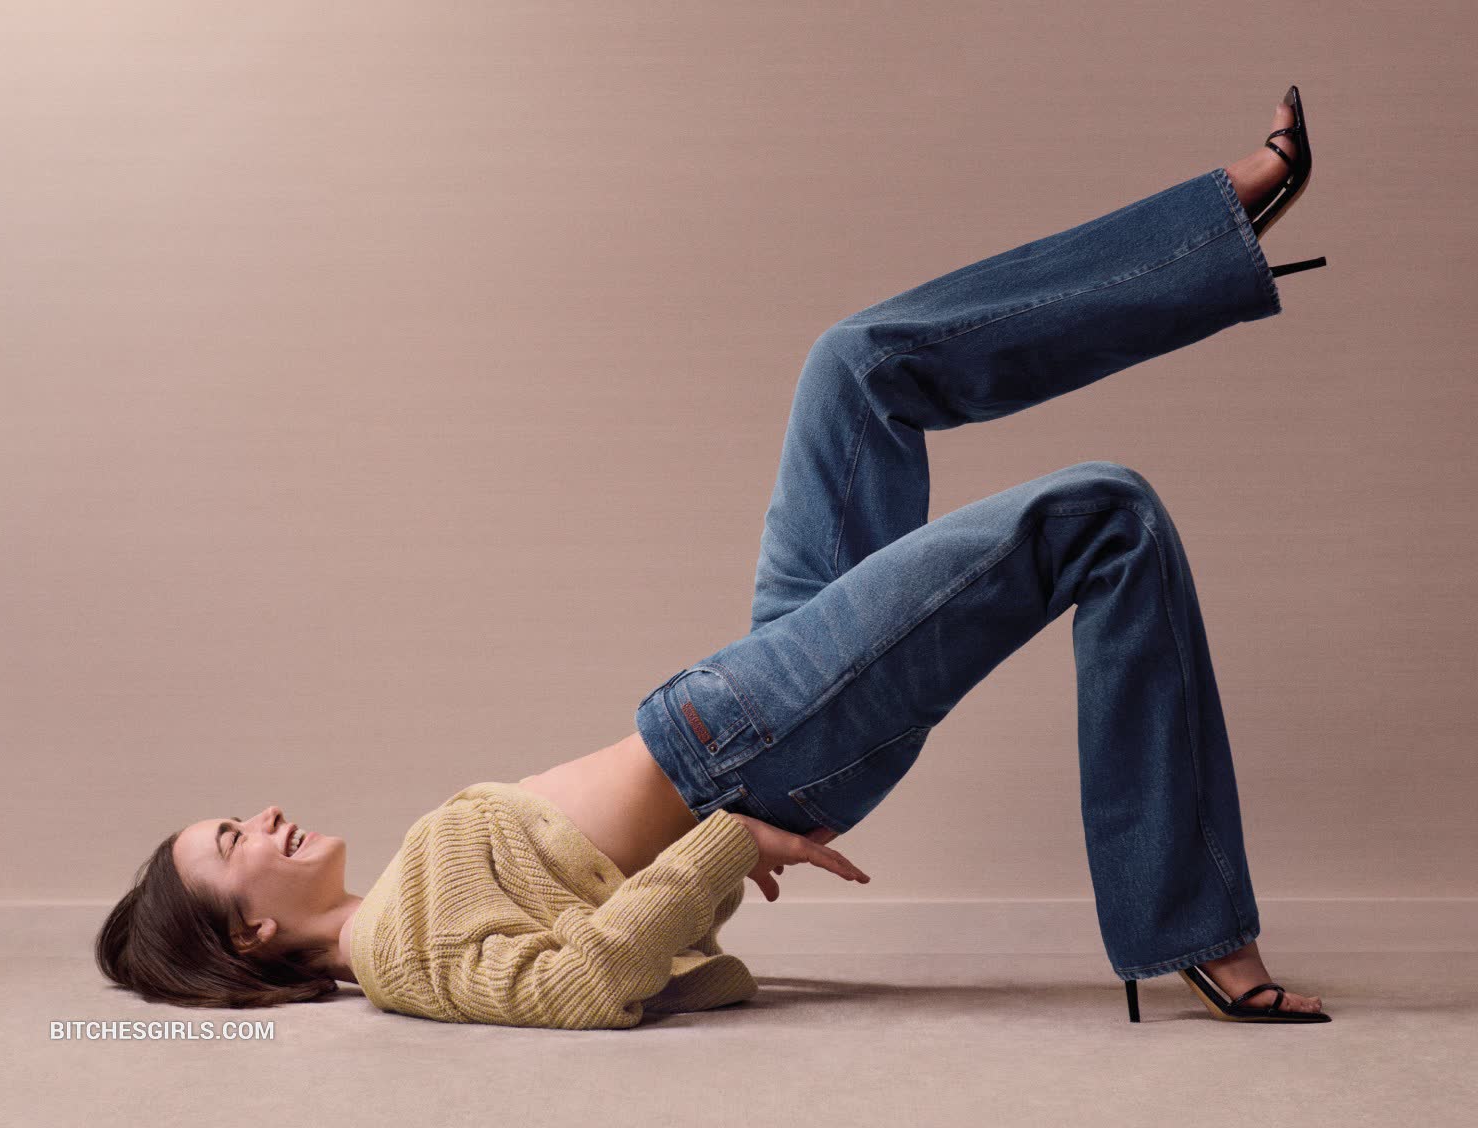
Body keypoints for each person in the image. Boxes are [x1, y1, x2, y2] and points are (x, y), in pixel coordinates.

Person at [97, 86, 1331, 1027]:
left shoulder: (397, 921)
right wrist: (729, 844)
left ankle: (1204, 240)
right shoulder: (396, 958)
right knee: (1100, 512)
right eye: (231, 840)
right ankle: (1194, 932)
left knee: (855, 364)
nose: (261, 816)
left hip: (736, 700)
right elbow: (581, 986)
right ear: (249, 935)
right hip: (747, 746)